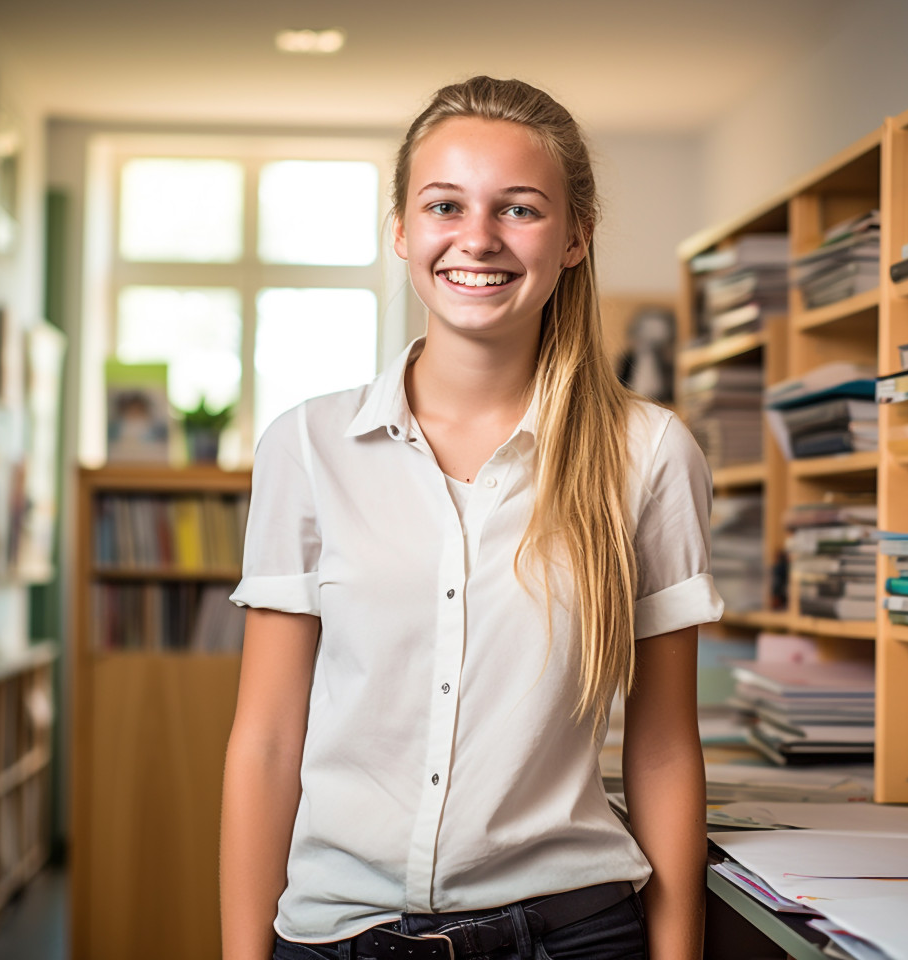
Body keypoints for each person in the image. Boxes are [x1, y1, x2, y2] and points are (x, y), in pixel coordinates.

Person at [220, 76, 723, 960]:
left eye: (519, 208)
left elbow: (665, 748)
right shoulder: (306, 444)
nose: (477, 238)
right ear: (403, 230)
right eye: (445, 204)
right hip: (337, 936)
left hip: (570, 934)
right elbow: (266, 741)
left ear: (575, 238)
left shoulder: (649, 454)